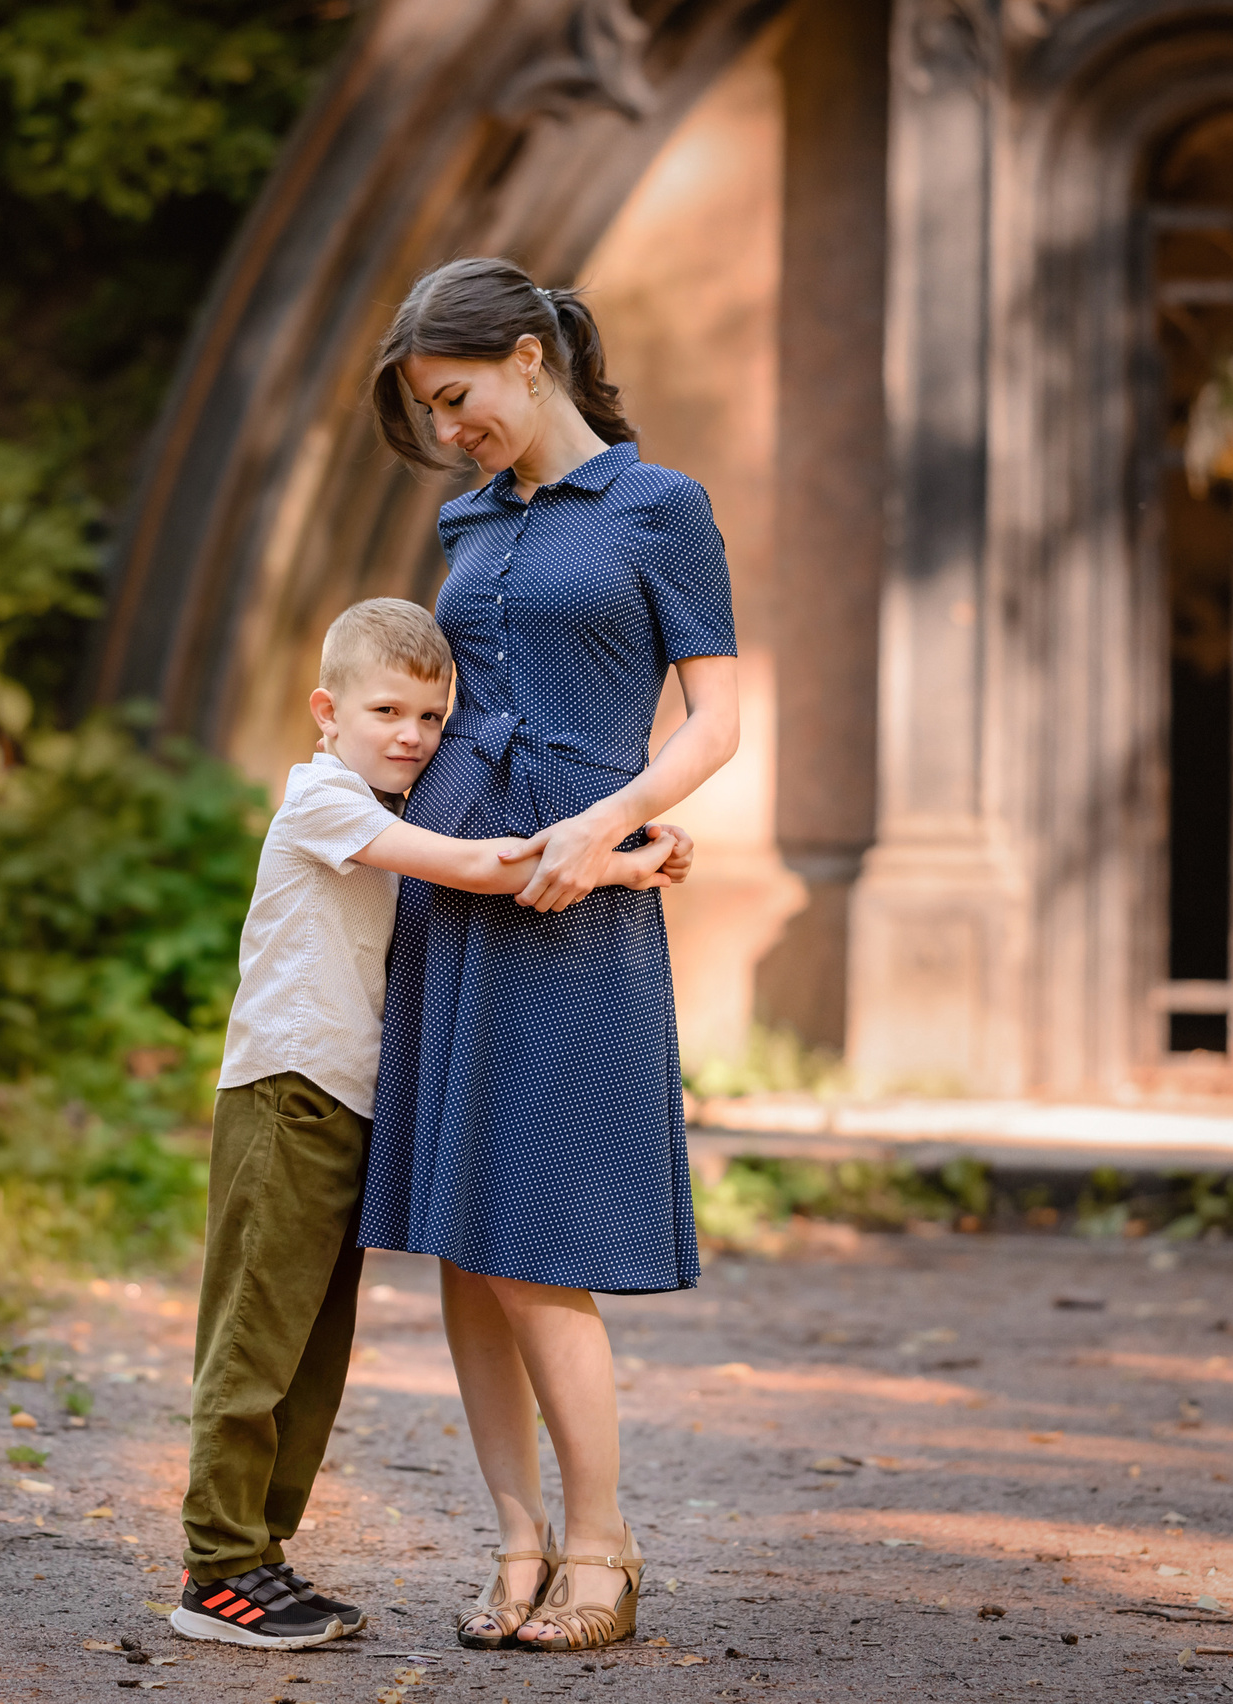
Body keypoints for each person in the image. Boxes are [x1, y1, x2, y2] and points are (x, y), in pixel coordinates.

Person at [172, 597, 694, 1650]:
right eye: (386, 712)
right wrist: (625, 861)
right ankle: (216, 1569)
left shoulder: (384, 807)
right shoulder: (324, 801)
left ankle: (261, 1560)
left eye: (429, 716)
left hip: (344, 1104)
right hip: (285, 1094)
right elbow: (477, 869)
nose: (411, 736)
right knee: (255, 1336)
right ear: (326, 712)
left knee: (314, 1345)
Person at [357, 257, 742, 1654]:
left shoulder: (661, 507)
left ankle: (604, 1549)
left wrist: (620, 826)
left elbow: (713, 725)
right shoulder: (469, 521)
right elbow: (427, 708)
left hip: (575, 900)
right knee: (465, 1241)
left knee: (532, 1242)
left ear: (531, 356)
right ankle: (517, 1543)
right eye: (430, 412)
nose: (450, 431)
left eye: (457, 398)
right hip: (458, 886)